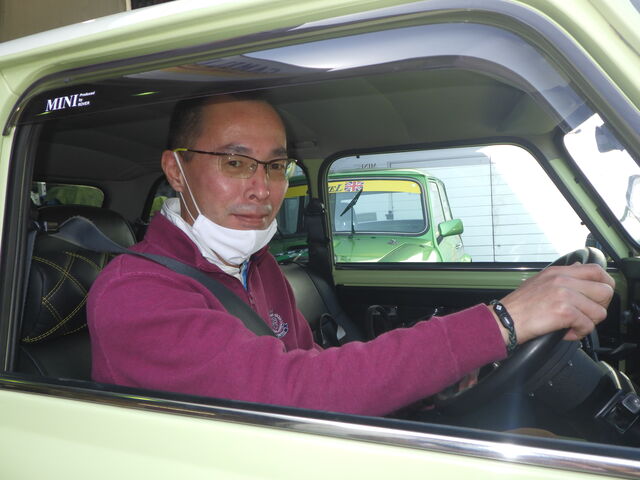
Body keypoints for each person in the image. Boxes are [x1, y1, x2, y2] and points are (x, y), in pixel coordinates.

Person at [87, 94, 615, 416]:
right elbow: (291, 392)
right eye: (234, 162)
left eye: (276, 166)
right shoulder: (135, 293)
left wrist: (437, 380)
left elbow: (315, 365)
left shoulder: (258, 266)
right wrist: (501, 322)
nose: (262, 189)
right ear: (176, 171)